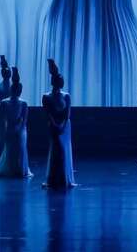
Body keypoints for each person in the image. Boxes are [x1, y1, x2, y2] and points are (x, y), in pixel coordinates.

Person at [0, 67, 32, 178]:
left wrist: (16, 128)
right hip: (13, 128)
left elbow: (23, 120)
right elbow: (5, 118)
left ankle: (16, 168)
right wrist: (15, 128)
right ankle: (15, 168)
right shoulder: (8, 102)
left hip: (15, 128)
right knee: (12, 148)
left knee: (15, 148)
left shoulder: (21, 103)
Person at [42, 59, 76, 188]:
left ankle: (63, 178)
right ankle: (54, 179)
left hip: (65, 126)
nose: (59, 83)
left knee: (64, 150)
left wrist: (62, 125)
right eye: (58, 80)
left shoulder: (66, 96)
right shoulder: (46, 97)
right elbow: (48, 113)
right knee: (57, 150)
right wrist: (55, 125)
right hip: (54, 126)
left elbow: (67, 114)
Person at [0, 55, 11, 162]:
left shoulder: (12, 86)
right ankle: (1, 155)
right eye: (5, 72)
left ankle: (8, 154)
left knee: (9, 132)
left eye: (7, 72)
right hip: (3, 111)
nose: (6, 74)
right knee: (3, 133)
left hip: (11, 110)